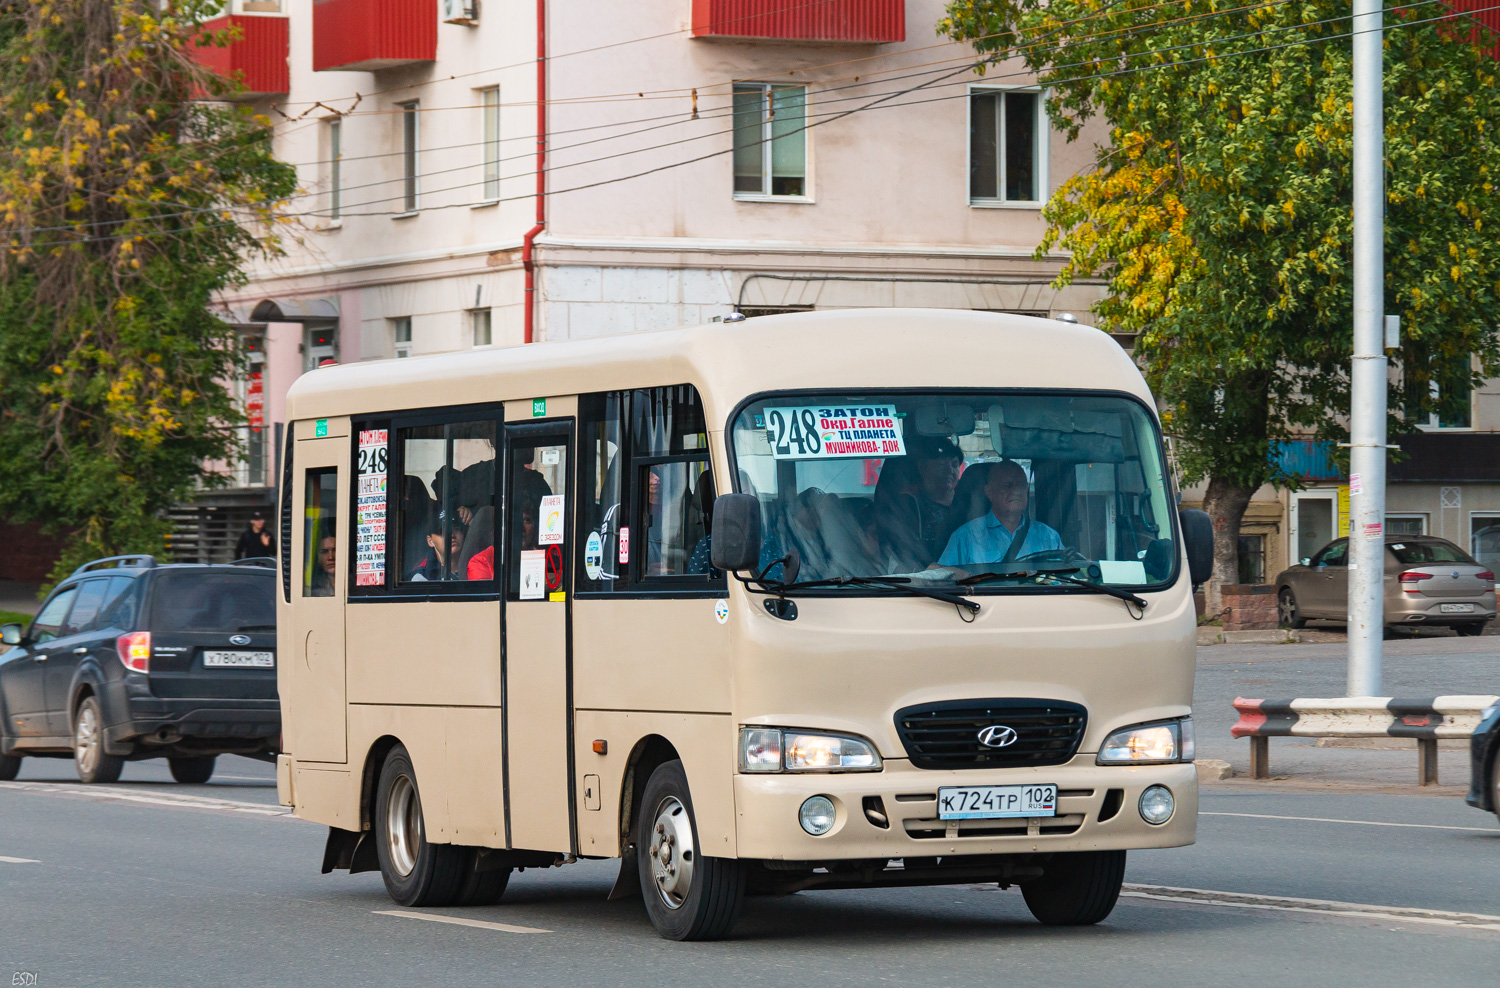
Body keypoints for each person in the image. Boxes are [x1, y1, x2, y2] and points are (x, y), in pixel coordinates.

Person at [937, 459, 1063, 568]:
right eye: (1008, 485)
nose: (1016, 491)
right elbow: (944, 580)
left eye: (1022, 485)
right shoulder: (965, 537)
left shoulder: (1049, 537)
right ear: (990, 492)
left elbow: (1066, 580)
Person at [408, 511, 466, 581]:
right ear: (430, 541)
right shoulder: (422, 577)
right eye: (442, 532)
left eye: (456, 529)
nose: (452, 535)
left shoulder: (477, 565)